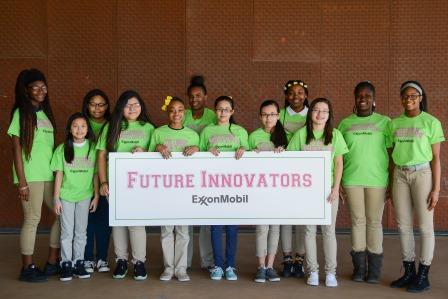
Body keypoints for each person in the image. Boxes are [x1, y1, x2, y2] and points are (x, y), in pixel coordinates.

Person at [389, 81, 444, 293]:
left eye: (413, 96)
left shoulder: (431, 122)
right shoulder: (394, 123)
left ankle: (423, 275)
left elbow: (437, 159)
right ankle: (409, 271)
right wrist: (391, 180)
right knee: (403, 225)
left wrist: (436, 189)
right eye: (405, 96)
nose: (408, 99)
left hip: (422, 174)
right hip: (400, 175)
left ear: (420, 98)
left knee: (425, 226)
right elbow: (391, 157)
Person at [288, 98, 348, 287]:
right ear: (310, 112)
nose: (320, 114)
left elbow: (339, 163)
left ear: (329, 115)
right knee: (309, 231)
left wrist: (336, 188)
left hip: (328, 191)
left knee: (329, 232)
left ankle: (331, 273)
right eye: (316, 110)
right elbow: (291, 160)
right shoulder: (300, 134)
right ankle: (312, 271)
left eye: (324, 111)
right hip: (307, 191)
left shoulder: (335, 134)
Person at [8, 68, 60, 282]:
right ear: (26, 90)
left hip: (49, 174)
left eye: (43, 86)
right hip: (31, 176)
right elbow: (16, 150)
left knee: (61, 215)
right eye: (35, 87)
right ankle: (27, 267)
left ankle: (52, 262)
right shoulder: (22, 113)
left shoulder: (44, 113)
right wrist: (22, 182)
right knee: (32, 219)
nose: (41, 90)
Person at [97, 90, 154, 280]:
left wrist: (145, 151)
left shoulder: (149, 128)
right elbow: (101, 155)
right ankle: (121, 260)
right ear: (121, 107)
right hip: (115, 183)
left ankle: (139, 262)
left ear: (141, 107)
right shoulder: (111, 126)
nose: (132, 108)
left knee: (137, 223)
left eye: (136, 105)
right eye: (128, 105)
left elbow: (156, 156)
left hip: (140, 185)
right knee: (118, 223)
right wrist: (103, 181)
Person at [338, 81, 391, 283]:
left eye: (367, 96)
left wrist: (392, 182)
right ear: (354, 98)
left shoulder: (385, 122)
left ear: (373, 99)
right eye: (359, 96)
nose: (363, 99)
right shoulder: (344, 124)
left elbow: (392, 152)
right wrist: (339, 181)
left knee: (374, 222)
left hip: (377, 180)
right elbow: (339, 156)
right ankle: (359, 269)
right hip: (351, 179)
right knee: (357, 222)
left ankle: (375, 271)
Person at [149, 96, 200, 282]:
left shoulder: (193, 135)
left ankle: (181, 268)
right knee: (166, 230)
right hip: (165, 190)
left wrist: (197, 149)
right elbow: (146, 160)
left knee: (183, 231)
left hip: (185, 190)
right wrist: (157, 147)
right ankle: (168, 268)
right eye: (172, 110)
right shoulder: (158, 133)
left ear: (185, 112)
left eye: (179, 109)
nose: (176, 113)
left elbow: (203, 163)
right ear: (167, 112)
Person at [199, 96, 248, 281]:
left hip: (234, 186)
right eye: (219, 109)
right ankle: (218, 265)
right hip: (213, 186)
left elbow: (250, 154)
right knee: (216, 227)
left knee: (232, 228)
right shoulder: (207, 131)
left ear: (232, 112)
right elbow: (198, 156)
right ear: (214, 110)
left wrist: (244, 150)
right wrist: (207, 152)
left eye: (227, 109)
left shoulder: (241, 131)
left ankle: (230, 266)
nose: (223, 112)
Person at [51, 113, 98, 281]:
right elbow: (59, 175)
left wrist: (96, 195)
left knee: (81, 231)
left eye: (83, 126)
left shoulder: (92, 148)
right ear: (70, 129)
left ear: (88, 129)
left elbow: (95, 175)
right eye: (75, 126)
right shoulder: (62, 149)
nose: (79, 129)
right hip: (67, 196)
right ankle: (66, 264)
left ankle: (78, 262)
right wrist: (56, 198)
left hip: (85, 196)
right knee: (66, 232)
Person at [249, 100, 287, 283]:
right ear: (260, 116)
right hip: (260, 190)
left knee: (275, 228)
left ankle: (270, 267)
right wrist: (252, 154)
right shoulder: (254, 135)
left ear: (278, 116)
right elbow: (246, 161)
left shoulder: (286, 135)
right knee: (262, 228)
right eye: (264, 114)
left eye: (272, 114)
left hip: (279, 190)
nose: (268, 118)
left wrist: (284, 152)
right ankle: (261, 267)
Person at [183, 75, 216, 271]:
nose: (194, 99)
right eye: (191, 96)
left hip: (207, 174)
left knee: (206, 218)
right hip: (185, 173)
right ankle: (183, 261)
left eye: (198, 95)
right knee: (185, 216)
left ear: (205, 96)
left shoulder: (213, 116)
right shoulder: (182, 114)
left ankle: (208, 261)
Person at [279, 80, 309, 278]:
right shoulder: (280, 114)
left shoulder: (312, 113)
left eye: (300, 93)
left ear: (306, 95)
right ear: (286, 96)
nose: (295, 96)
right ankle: (287, 258)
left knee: (302, 217)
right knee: (285, 217)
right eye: (291, 93)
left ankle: (300, 257)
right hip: (283, 170)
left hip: (306, 171)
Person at [81, 89, 112, 273]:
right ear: (87, 105)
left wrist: (103, 181)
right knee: (87, 220)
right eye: (93, 104)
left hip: (104, 179)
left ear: (107, 106)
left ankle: (102, 258)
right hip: (82, 179)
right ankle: (86, 258)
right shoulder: (81, 123)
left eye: (101, 104)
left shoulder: (112, 124)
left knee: (104, 220)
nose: (97, 108)